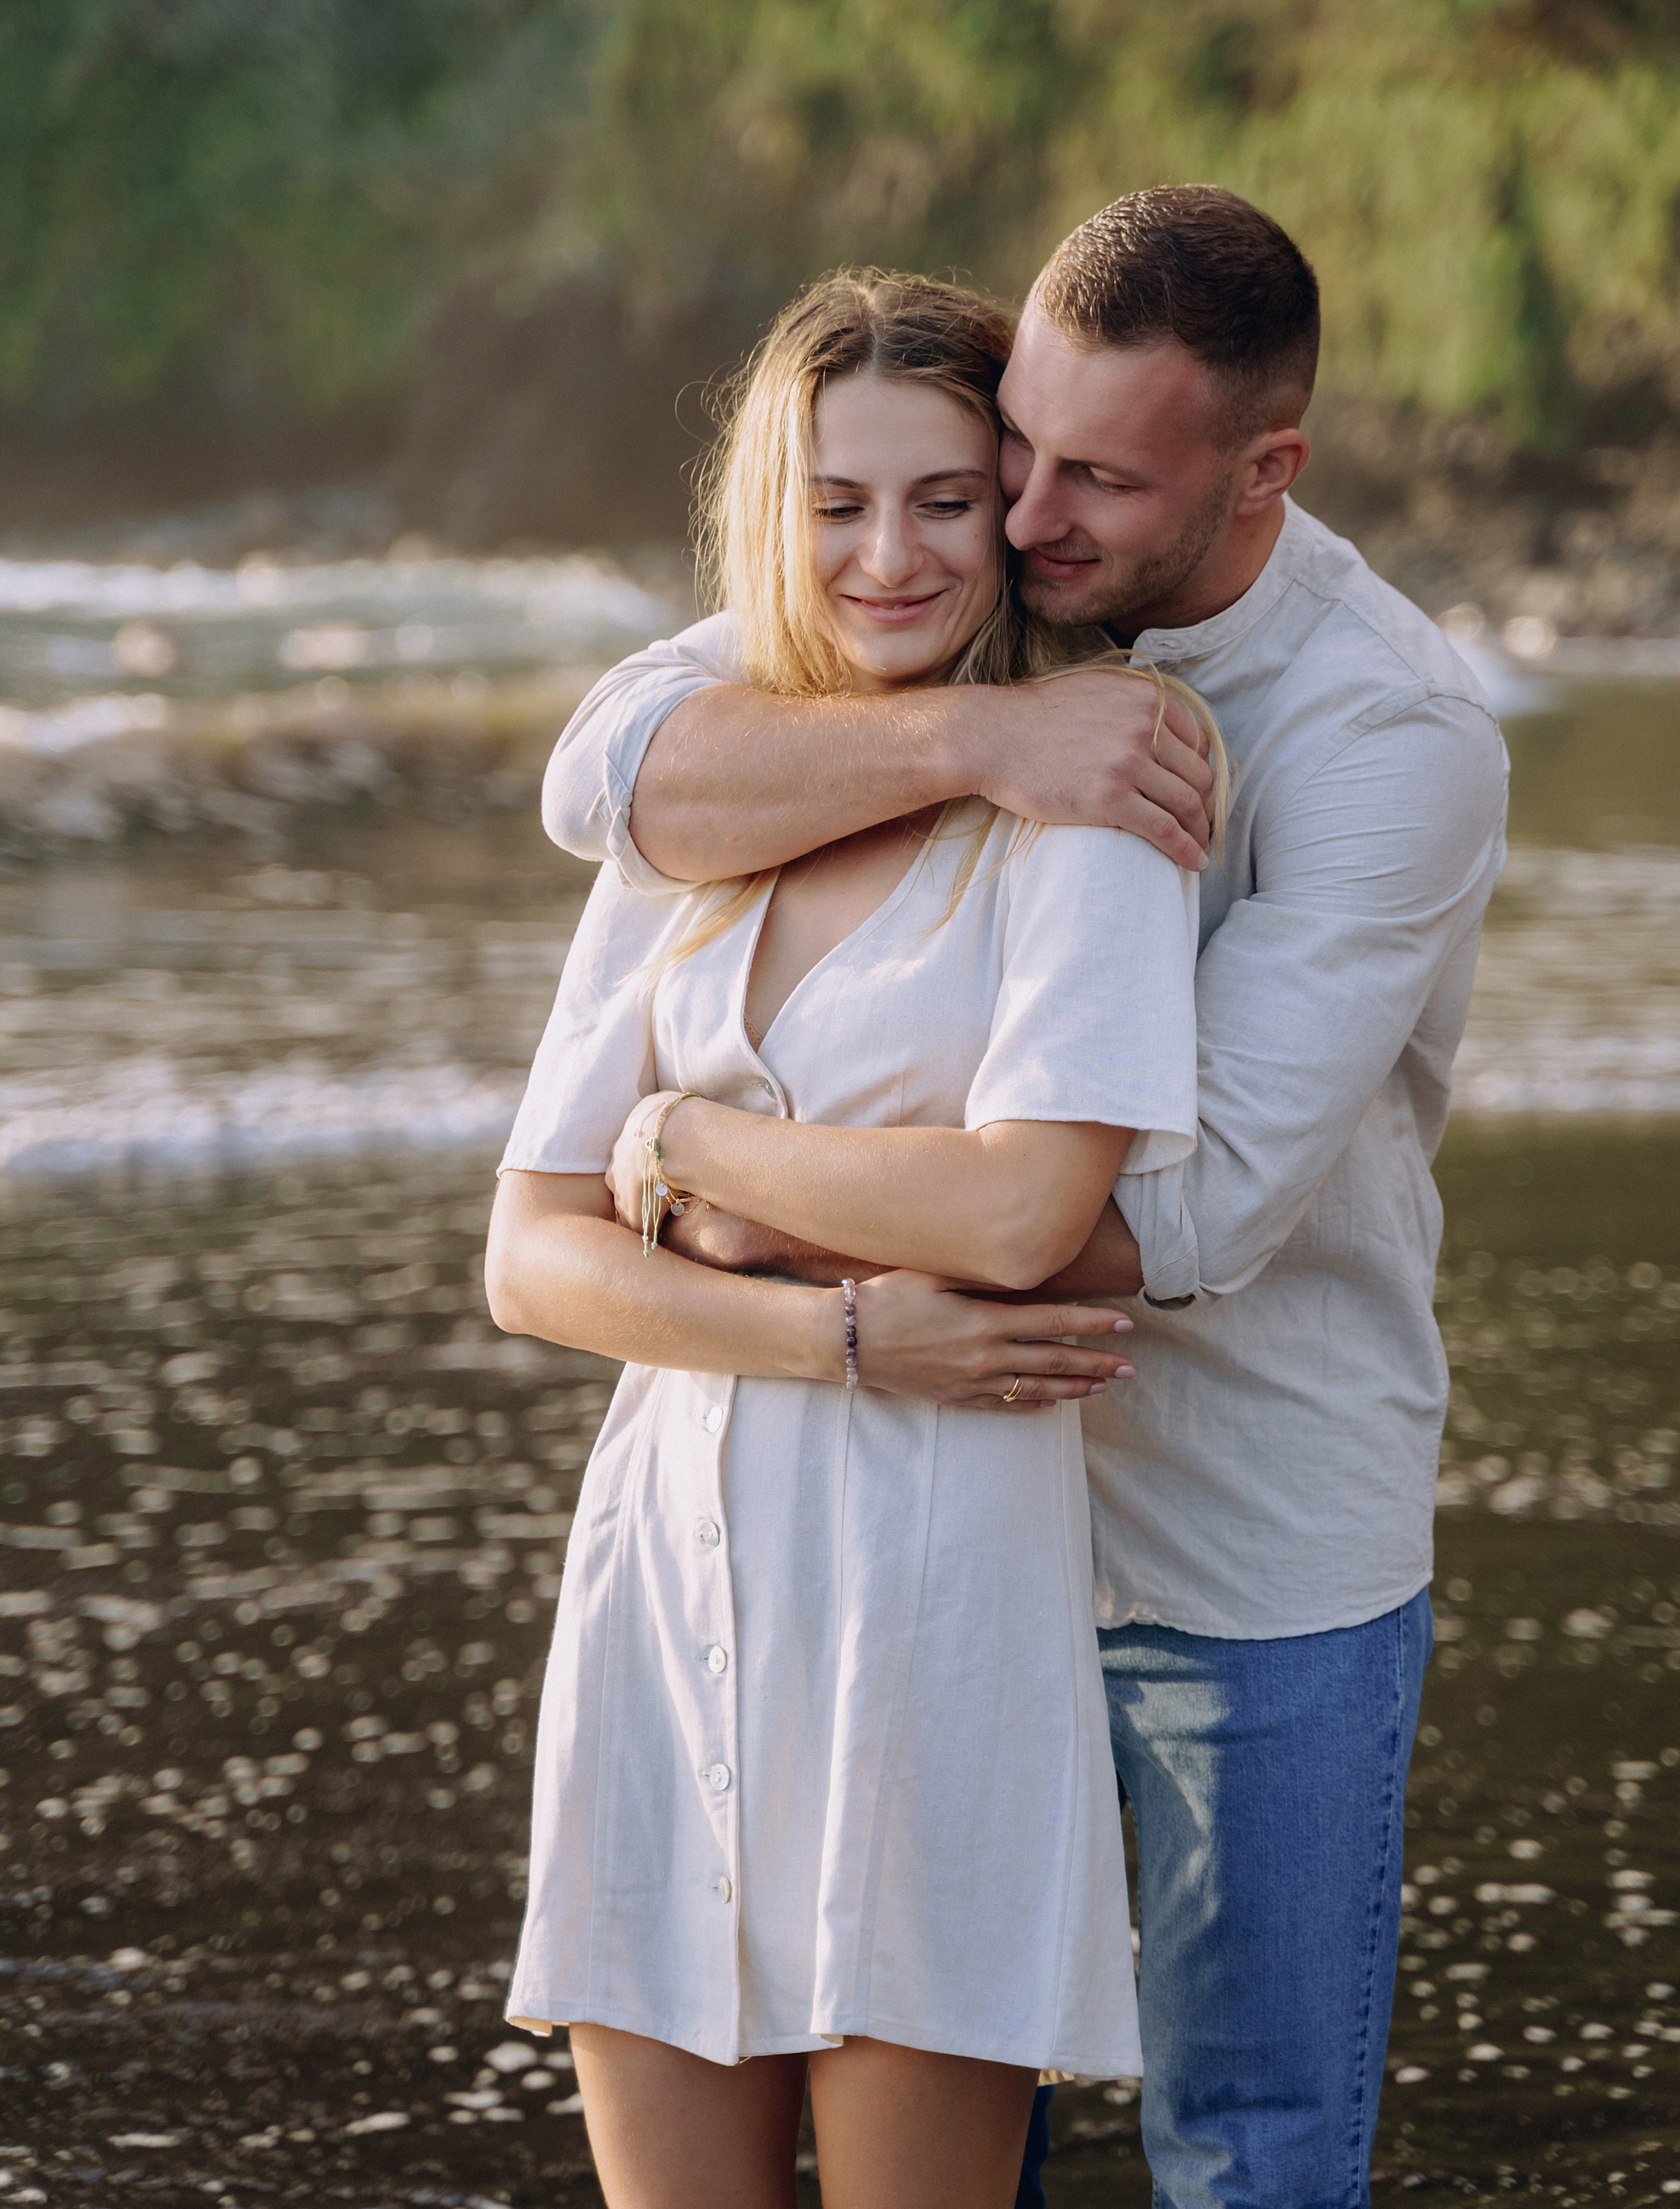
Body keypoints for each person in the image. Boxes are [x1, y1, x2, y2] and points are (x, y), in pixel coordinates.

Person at [538, 188, 1510, 2209]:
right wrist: (988, 729)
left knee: (1247, 2156)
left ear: (1263, 472)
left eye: (1094, 479)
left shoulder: (1385, 734)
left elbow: (1167, 1220)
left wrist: (715, 1194)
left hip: (1232, 1537)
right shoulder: (957, 618)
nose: (1030, 513)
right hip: (943, 1532)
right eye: (1020, 453)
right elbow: (613, 772)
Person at [486, 270, 1219, 2209]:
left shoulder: (1092, 795)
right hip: (665, 1589)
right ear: (773, 518)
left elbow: (1024, 1206)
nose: (888, 556)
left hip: (932, 1604)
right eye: (837, 504)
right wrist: (848, 1337)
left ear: (1012, 509)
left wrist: (688, 1146)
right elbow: (534, 1255)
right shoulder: (706, 815)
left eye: (943, 500)